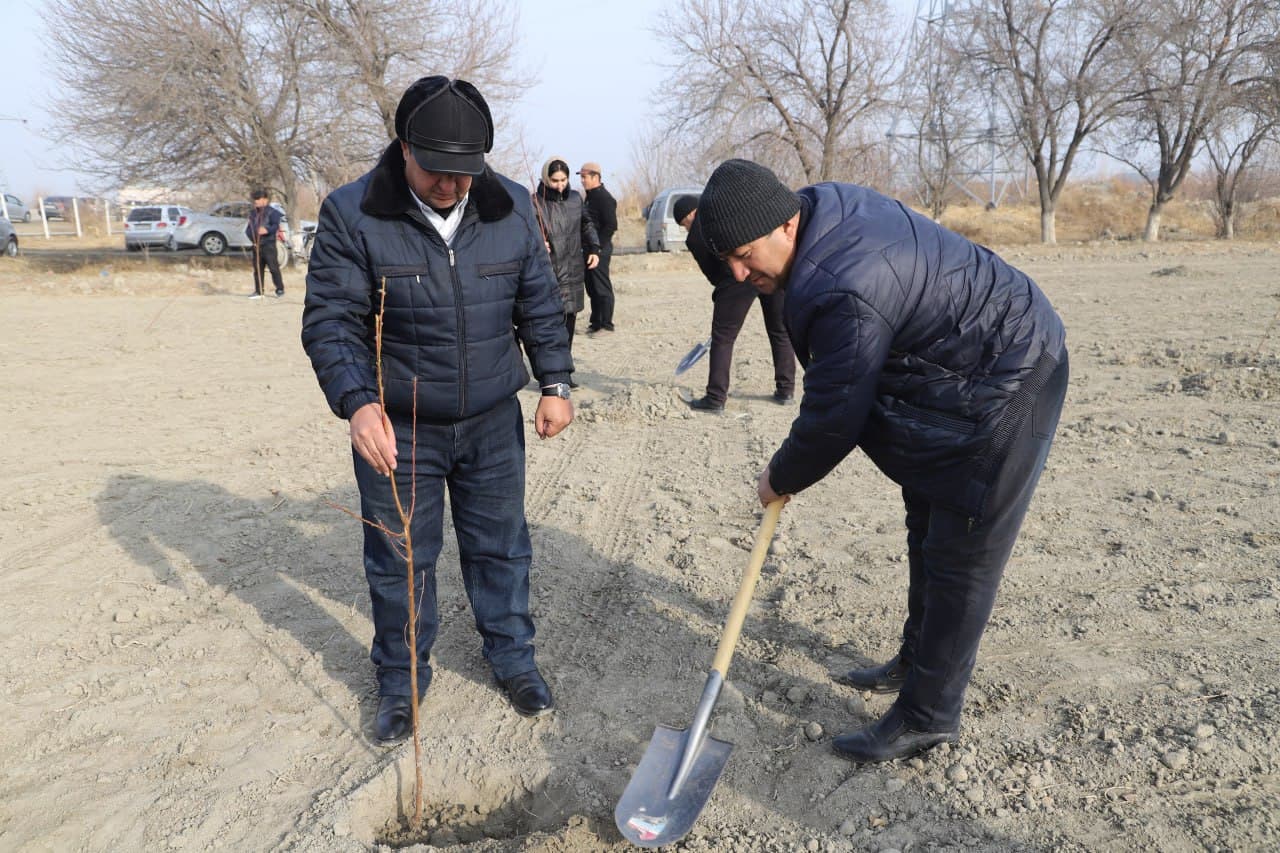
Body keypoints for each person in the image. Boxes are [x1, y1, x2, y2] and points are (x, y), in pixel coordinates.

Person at [695, 159, 1069, 763]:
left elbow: (835, 414)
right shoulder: (815, 211)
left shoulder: (842, 280)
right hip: (958, 370)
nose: (739, 273)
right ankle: (913, 661)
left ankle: (928, 714)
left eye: (743, 254)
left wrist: (780, 475)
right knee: (926, 522)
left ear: (786, 226)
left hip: (1012, 374)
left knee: (961, 552)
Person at [301, 76, 575, 745]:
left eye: (465, 173)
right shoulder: (353, 212)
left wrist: (556, 382)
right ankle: (402, 679)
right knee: (399, 558)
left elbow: (538, 300)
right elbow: (331, 321)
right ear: (404, 148)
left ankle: (512, 657)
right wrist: (359, 405)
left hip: (490, 422)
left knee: (501, 549)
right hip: (402, 428)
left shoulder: (509, 203)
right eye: (437, 172)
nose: (452, 186)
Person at [674, 193, 796, 413]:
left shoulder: (695, 236)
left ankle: (715, 398)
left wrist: (723, 298)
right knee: (779, 331)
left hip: (735, 280)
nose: (686, 228)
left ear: (691, 213)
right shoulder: (729, 212)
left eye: (684, 223)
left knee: (723, 337)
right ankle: (786, 390)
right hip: (765, 268)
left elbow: (714, 276)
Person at [533, 157, 599, 381]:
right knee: (550, 326)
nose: (560, 185)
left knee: (569, 323)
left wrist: (594, 248)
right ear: (545, 178)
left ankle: (565, 372)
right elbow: (524, 233)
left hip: (573, 269)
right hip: (548, 271)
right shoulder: (535, 202)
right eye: (555, 180)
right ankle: (550, 374)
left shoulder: (575, 199)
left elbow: (586, 223)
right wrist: (537, 242)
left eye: (564, 179)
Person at [578, 162, 618, 333]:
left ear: (595, 177)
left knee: (601, 286)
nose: (582, 180)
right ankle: (596, 322)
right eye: (581, 177)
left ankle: (606, 324)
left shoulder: (604, 198)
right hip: (588, 250)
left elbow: (610, 225)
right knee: (592, 286)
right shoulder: (590, 196)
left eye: (584, 177)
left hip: (600, 249)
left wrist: (597, 248)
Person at [246, 189, 285, 299]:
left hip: (269, 245)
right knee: (257, 269)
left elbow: (275, 226)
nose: (256, 202)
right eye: (255, 200)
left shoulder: (273, 212)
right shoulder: (253, 214)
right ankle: (259, 291)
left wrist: (267, 230)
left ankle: (280, 289)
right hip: (256, 246)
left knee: (273, 268)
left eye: (258, 199)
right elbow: (248, 230)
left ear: (265, 200)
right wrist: (253, 240)